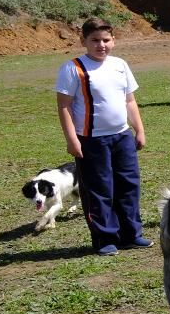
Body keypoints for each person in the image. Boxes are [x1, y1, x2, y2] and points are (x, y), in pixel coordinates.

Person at [55, 17, 148, 256]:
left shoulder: (120, 65)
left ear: (113, 40)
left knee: (128, 186)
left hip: (122, 136)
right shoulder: (73, 68)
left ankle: (131, 234)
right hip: (91, 140)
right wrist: (72, 139)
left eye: (106, 40)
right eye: (94, 40)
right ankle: (105, 238)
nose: (101, 45)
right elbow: (64, 106)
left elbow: (130, 100)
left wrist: (139, 129)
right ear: (83, 41)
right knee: (99, 189)